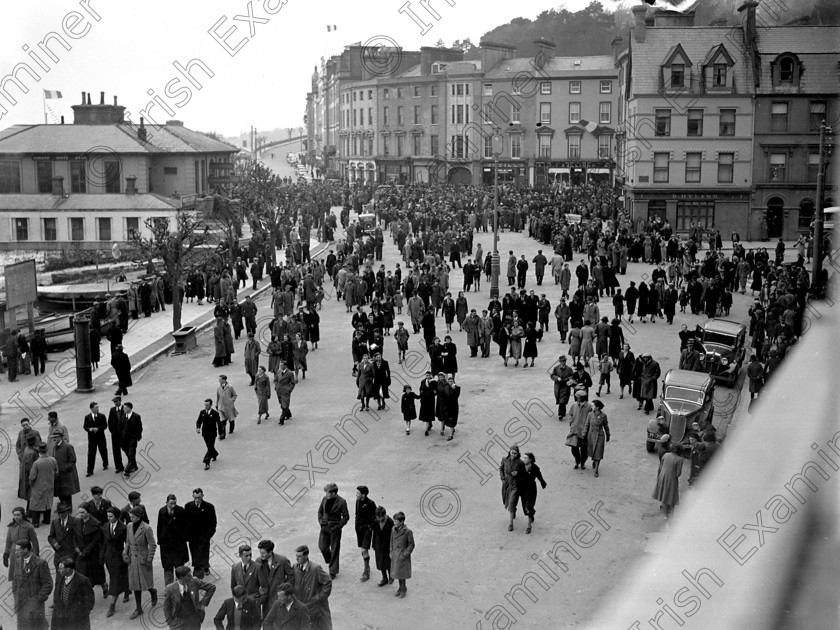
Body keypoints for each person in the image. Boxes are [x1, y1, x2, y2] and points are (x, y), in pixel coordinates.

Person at [123, 505, 158, 620]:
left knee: (146, 583)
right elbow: (128, 541)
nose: (131, 519)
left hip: (143, 559)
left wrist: (149, 560)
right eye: (130, 517)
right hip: (132, 560)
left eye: (132, 517)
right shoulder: (129, 526)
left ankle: (153, 592)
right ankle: (138, 609)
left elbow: (152, 545)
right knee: (135, 585)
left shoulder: (146, 528)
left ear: (139, 516)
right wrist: (125, 553)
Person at [11, 538, 52, 629]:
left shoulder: (41, 563)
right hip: (21, 604)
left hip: (35, 606)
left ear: (25, 550)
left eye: (18, 550)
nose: (16, 553)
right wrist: (16, 596)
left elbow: (48, 584)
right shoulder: (18, 562)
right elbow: (15, 581)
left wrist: (39, 598)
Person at [163, 565, 217, 630]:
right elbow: (166, 607)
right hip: (178, 622)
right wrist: (170, 622)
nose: (191, 577)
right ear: (181, 578)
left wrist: (203, 604)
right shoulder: (170, 588)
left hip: (194, 620)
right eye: (188, 576)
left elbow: (211, 587)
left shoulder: (194, 581)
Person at [292, 545, 332, 630]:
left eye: (299, 556)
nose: (297, 559)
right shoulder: (295, 567)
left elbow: (327, 583)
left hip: (314, 607)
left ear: (306, 556)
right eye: (296, 556)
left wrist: (319, 597)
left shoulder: (315, 569)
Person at [73, 503, 106, 598]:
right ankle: (87, 595)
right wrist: (77, 550)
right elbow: (75, 537)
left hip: (92, 554)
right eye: (79, 513)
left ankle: (104, 586)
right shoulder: (77, 522)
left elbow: (96, 540)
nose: (81, 515)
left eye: (83, 512)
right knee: (82, 574)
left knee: (97, 574)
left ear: (88, 512)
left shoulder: (96, 524)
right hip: (81, 554)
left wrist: (86, 551)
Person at [101, 506, 129, 617]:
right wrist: (102, 557)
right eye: (107, 516)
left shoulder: (123, 528)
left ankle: (112, 605)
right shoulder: (105, 527)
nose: (108, 518)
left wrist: (126, 555)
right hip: (109, 557)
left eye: (111, 516)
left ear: (116, 517)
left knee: (115, 580)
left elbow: (127, 543)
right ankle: (126, 591)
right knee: (116, 576)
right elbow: (104, 544)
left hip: (119, 557)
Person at [255, 539, 295, 619]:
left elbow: (291, 576)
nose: (261, 555)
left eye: (263, 553)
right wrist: (259, 589)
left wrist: (285, 590)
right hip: (265, 599)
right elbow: (256, 578)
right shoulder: (258, 561)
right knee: (267, 620)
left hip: (279, 597)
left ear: (270, 552)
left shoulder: (282, 560)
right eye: (260, 553)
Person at [317, 483, 349, 579]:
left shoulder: (342, 502)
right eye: (326, 493)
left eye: (329, 493)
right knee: (322, 547)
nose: (327, 495)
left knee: (335, 549)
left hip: (335, 529)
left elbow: (346, 517)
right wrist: (320, 521)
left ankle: (333, 571)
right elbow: (320, 511)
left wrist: (338, 526)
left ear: (334, 493)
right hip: (324, 527)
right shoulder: (324, 499)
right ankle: (331, 560)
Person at [158, 494, 189, 587]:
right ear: (166, 503)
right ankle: (169, 590)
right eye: (171, 503)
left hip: (178, 546)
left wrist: (183, 539)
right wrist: (161, 541)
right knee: (168, 570)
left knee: (180, 570)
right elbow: (159, 527)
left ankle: (182, 588)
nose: (173, 506)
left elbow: (185, 526)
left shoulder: (181, 511)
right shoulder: (162, 511)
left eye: (175, 503)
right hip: (166, 546)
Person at [185, 488, 216, 580]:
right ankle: (205, 566)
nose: (197, 499)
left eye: (199, 497)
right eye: (195, 497)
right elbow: (185, 521)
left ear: (202, 496)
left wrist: (208, 536)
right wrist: (187, 535)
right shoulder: (188, 506)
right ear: (193, 497)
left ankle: (197, 578)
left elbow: (213, 523)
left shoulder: (209, 507)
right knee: (195, 554)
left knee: (201, 556)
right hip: (193, 538)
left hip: (204, 537)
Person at [28, 443, 58, 526]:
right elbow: (56, 472)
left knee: (36, 504)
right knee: (48, 503)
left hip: (38, 486)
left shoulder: (36, 463)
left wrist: (32, 484)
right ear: (46, 450)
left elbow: (32, 477)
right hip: (49, 486)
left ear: (39, 451)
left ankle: (35, 522)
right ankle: (47, 520)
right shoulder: (53, 460)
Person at [653, 443, 684, 520]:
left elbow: (661, 466)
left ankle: (665, 515)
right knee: (671, 498)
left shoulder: (666, 455)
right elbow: (678, 474)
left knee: (664, 497)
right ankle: (671, 516)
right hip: (671, 480)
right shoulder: (679, 460)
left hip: (662, 477)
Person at [518, 453, 547, 534]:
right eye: (524, 458)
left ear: (530, 459)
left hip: (531, 489)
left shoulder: (535, 467)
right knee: (525, 507)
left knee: (528, 506)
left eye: (526, 458)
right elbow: (517, 476)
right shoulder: (521, 466)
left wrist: (542, 482)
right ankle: (531, 515)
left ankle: (529, 526)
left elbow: (539, 475)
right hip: (523, 489)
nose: (524, 460)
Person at [499, 445, 525, 532]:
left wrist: (517, 474)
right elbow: (501, 469)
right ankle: (514, 511)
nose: (513, 454)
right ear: (509, 452)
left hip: (515, 485)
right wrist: (502, 479)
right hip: (506, 484)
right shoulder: (505, 460)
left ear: (518, 454)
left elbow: (524, 475)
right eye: (512, 452)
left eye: (515, 453)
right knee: (506, 501)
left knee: (511, 503)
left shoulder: (520, 463)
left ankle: (511, 523)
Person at [389, 512, 414, 598]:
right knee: (397, 573)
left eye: (396, 521)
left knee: (402, 574)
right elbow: (391, 540)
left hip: (402, 555)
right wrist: (391, 551)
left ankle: (403, 588)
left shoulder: (407, 532)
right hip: (395, 554)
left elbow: (411, 545)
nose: (394, 523)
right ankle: (400, 588)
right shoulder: (393, 529)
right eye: (394, 521)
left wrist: (405, 554)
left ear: (402, 521)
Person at [355, 486, 377, 582]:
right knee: (362, 550)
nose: (356, 495)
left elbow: (375, 517)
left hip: (367, 530)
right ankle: (367, 567)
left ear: (363, 495)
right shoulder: (358, 501)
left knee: (364, 549)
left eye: (358, 493)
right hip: (359, 529)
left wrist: (370, 527)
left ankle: (366, 571)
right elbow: (357, 514)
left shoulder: (370, 503)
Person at [53, 433, 80, 508]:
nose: (54, 439)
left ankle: (68, 508)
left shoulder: (68, 446)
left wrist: (64, 468)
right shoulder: (55, 447)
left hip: (66, 474)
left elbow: (72, 460)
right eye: (53, 437)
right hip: (59, 474)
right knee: (60, 492)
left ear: (61, 437)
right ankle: (63, 507)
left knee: (67, 493)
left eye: (56, 437)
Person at [584, 399, 611, 478]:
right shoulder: (590, 414)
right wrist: (584, 434)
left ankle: (596, 469)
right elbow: (586, 425)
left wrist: (608, 435)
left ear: (597, 407)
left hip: (599, 435)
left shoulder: (603, 416)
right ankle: (594, 460)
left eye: (593, 405)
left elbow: (606, 426)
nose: (591, 406)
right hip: (591, 435)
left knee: (598, 452)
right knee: (592, 450)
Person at [83, 401, 109, 477]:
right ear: (91, 409)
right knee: (91, 454)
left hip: (100, 437)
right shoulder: (87, 417)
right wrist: (90, 429)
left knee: (103, 450)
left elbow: (105, 426)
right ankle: (90, 470)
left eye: (98, 407)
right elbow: (85, 426)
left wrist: (98, 429)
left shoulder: (102, 416)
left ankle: (105, 464)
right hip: (92, 438)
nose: (97, 409)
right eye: (96, 407)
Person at [568, 391, 592, 470]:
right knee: (574, 449)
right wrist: (571, 422)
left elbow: (592, 417)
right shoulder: (574, 405)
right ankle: (577, 460)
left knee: (584, 450)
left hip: (584, 432)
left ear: (582, 398)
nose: (576, 398)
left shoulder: (589, 407)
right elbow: (570, 413)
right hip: (574, 430)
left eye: (577, 397)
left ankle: (582, 463)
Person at [371, 506, 393, 587]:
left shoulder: (390, 523)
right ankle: (384, 578)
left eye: (380, 517)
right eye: (377, 517)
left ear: (384, 515)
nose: (379, 519)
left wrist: (392, 547)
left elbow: (393, 536)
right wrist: (373, 544)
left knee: (388, 562)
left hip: (387, 545)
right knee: (380, 562)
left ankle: (391, 575)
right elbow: (375, 533)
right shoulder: (376, 522)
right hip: (378, 545)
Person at [196, 399, 220, 470]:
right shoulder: (202, 412)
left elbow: (219, 423)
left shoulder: (215, 413)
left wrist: (221, 432)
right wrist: (198, 428)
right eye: (205, 405)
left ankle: (207, 462)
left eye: (207, 405)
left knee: (209, 447)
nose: (206, 406)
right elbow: (199, 421)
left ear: (211, 405)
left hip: (212, 433)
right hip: (205, 433)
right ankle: (214, 454)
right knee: (209, 446)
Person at [122, 402, 143, 476]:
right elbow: (120, 426)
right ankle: (134, 466)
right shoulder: (123, 416)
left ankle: (128, 470)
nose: (123, 409)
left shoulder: (136, 416)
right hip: (124, 439)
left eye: (125, 407)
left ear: (129, 408)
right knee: (127, 452)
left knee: (131, 454)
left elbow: (139, 427)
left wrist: (138, 436)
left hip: (132, 438)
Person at [107, 396, 126, 474]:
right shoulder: (112, 410)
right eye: (114, 402)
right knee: (116, 451)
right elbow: (110, 421)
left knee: (127, 449)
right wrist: (112, 431)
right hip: (115, 434)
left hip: (123, 434)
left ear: (120, 401)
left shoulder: (125, 409)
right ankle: (119, 467)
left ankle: (132, 464)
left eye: (116, 402)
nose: (115, 403)